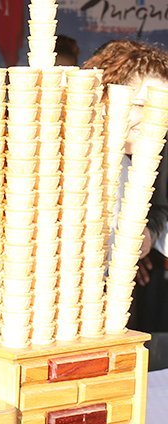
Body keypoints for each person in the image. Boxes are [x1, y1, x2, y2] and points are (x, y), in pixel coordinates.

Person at [82, 40, 168, 336]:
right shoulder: (58, 155)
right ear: (104, 96)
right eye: (141, 105)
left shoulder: (127, 167)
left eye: (163, 109)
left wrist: (139, 243)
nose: (155, 120)